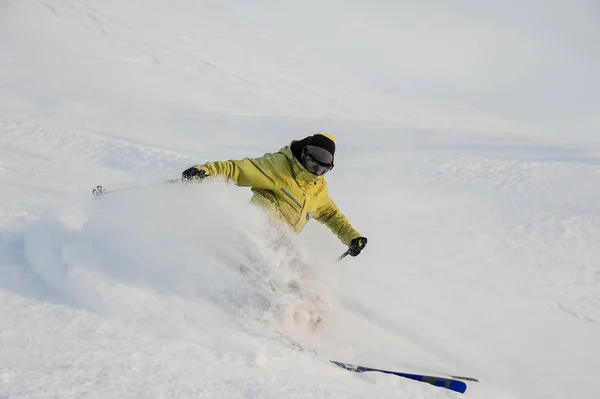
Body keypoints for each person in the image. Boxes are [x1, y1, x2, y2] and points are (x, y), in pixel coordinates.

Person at [181, 133, 367, 257]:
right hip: (259, 231)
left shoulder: (317, 187)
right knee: (284, 265)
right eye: (312, 165)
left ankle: (307, 312)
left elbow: (331, 215)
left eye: (322, 169)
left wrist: (351, 237)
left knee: (304, 275)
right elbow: (237, 169)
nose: (316, 171)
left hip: (283, 243)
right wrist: (205, 171)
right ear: (304, 154)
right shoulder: (279, 166)